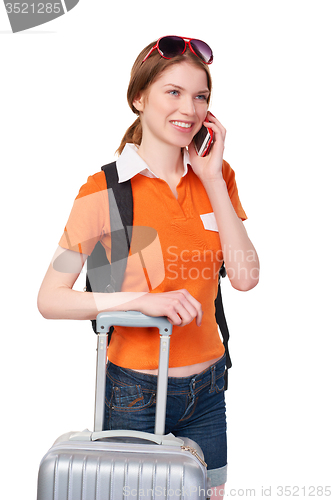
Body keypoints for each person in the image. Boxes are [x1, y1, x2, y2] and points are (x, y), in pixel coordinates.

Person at [38, 36, 259, 499]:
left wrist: (213, 177)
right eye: (173, 92)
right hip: (133, 392)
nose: (190, 108)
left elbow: (245, 277)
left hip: (209, 388)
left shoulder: (220, 177)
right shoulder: (104, 191)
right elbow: (51, 297)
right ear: (139, 99)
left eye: (201, 96)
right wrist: (142, 301)